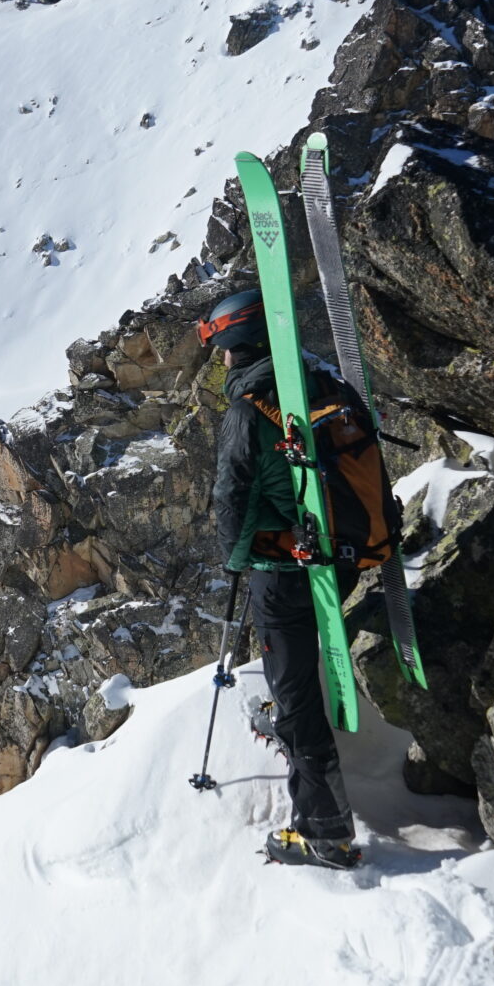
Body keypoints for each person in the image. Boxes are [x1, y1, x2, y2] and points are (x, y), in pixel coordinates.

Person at [199, 285, 366, 870]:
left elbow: (231, 498)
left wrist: (238, 560)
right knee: (294, 682)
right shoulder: (324, 384)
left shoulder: (249, 410)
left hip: (285, 568)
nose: (220, 360)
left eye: (221, 347)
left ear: (240, 343)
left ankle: (325, 833)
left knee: (296, 698)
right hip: (347, 553)